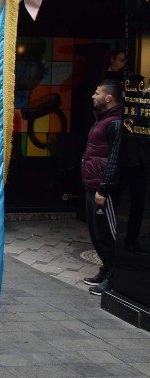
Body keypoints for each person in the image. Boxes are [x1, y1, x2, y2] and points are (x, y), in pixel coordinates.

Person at [81, 80, 123, 296]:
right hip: (92, 185)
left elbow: (114, 158)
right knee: (96, 234)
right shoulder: (102, 120)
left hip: (102, 189)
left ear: (109, 98)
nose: (93, 96)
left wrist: (104, 188)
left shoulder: (115, 123)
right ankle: (105, 270)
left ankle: (112, 278)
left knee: (106, 236)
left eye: (97, 93)